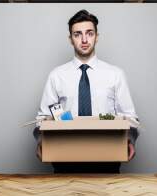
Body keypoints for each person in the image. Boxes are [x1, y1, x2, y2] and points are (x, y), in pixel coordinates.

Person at [34, 9, 139, 173]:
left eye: (89, 33)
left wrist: (130, 140)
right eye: (77, 34)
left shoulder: (115, 74)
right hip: (64, 159)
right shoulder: (56, 76)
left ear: (97, 36)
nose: (84, 39)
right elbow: (42, 118)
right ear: (70, 39)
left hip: (107, 158)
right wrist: (42, 141)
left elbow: (130, 117)